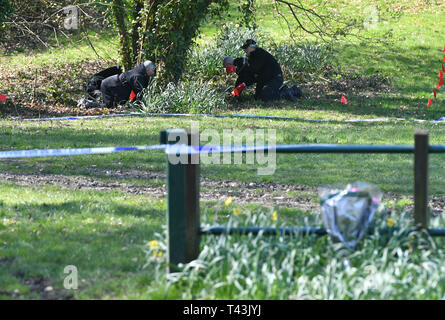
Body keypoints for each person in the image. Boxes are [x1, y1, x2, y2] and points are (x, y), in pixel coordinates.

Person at [224, 39, 302, 102]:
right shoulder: (252, 57)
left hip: (274, 78)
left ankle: (288, 91)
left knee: (266, 97)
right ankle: (282, 91)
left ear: (252, 47)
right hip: (264, 79)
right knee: (258, 97)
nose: (244, 50)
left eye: (246, 48)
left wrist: (237, 70)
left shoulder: (259, 54)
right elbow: (249, 76)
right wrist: (237, 91)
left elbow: (253, 69)